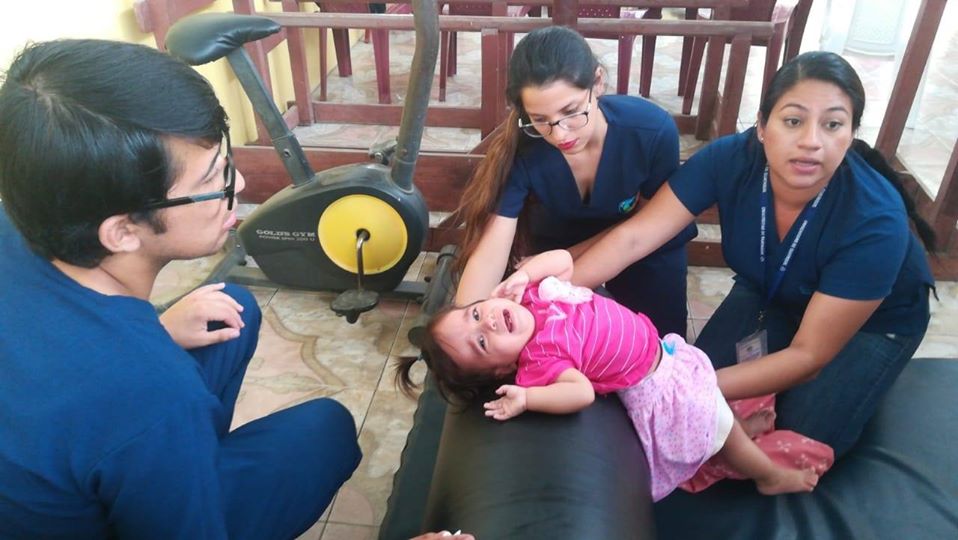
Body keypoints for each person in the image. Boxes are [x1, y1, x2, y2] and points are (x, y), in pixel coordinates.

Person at [0, 39, 362, 538]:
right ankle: (185, 471)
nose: (238, 187)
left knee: (231, 309)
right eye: (214, 180)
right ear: (122, 231)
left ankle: (184, 467)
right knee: (326, 430)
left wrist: (158, 329)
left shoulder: (21, 216)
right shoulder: (153, 393)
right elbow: (123, 397)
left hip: (58, 437)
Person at [571, 51, 937, 459]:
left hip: (874, 324)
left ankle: (864, 380)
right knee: (700, 417)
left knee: (788, 446)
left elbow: (808, 356)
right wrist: (555, 291)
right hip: (771, 289)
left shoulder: (875, 219)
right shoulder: (730, 160)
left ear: (851, 134)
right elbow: (635, 237)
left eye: (833, 124)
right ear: (762, 126)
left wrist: (689, 384)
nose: (811, 141)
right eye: (793, 121)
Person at [397, 250, 821, 501]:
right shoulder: (540, 359)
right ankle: (768, 476)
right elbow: (579, 393)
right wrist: (528, 398)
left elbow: (564, 260)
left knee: (715, 405)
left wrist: (523, 274)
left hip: (667, 356)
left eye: (475, 314)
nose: (488, 323)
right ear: (502, 370)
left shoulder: (531, 295)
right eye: (481, 343)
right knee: (717, 421)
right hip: (657, 386)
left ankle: (739, 435)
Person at [452, 25, 696, 338]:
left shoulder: (651, 131)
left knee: (659, 342)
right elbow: (490, 254)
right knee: (551, 343)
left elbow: (648, 226)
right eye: (540, 120)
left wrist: (562, 263)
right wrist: (465, 327)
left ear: (598, 82)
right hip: (555, 247)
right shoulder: (523, 147)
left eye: (571, 111)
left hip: (643, 247)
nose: (559, 134)